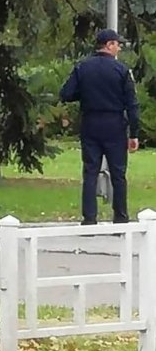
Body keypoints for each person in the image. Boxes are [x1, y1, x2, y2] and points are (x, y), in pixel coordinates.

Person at [59, 28, 139, 225]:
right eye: (117, 44)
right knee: (118, 173)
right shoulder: (121, 70)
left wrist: (86, 94)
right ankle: (120, 217)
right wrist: (134, 133)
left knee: (90, 171)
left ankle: (89, 218)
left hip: (91, 122)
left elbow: (66, 93)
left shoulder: (83, 67)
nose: (118, 48)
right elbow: (132, 103)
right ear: (109, 45)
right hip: (114, 124)